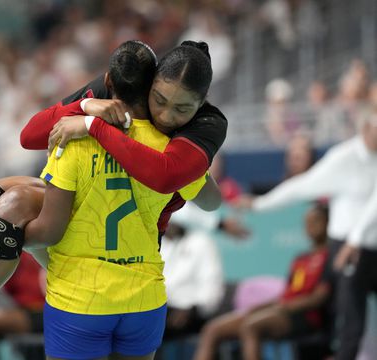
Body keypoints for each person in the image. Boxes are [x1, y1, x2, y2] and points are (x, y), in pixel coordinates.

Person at [0, 40, 213, 360]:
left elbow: (50, 230)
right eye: (161, 102)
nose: (167, 115)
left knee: (4, 213)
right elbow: (206, 198)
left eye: (180, 109)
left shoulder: (76, 136)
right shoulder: (177, 152)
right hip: (141, 293)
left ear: (109, 82)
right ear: (150, 85)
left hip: (83, 293)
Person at [236, 106, 377, 360]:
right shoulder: (343, 159)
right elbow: (302, 186)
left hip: (368, 248)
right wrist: (260, 204)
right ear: (366, 128)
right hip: (348, 251)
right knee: (350, 322)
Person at [194, 203, 331, 360]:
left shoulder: (331, 257)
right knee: (212, 329)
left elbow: (320, 297)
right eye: (307, 223)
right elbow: (286, 294)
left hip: (305, 316)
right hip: (281, 310)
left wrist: (285, 306)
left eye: (316, 221)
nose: (310, 227)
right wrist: (260, 308)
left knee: (251, 327)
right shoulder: (301, 258)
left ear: (328, 223)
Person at [161, 201, 225, 340]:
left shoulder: (201, 243)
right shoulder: (158, 245)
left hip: (193, 312)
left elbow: (211, 286)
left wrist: (192, 310)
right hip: (161, 309)